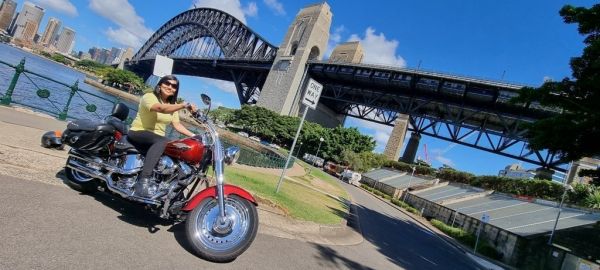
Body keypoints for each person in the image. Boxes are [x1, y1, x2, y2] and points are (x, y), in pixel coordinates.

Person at [128, 75, 197, 196]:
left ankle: (170, 188)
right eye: (167, 83)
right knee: (163, 141)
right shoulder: (149, 96)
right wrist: (183, 105)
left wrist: (195, 135)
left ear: (176, 90)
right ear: (160, 84)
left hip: (156, 138)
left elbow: (177, 125)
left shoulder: (172, 105)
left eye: (174, 86)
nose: (170, 87)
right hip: (138, 132)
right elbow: (160, 108)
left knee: (176, 149)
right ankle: (143, 181)